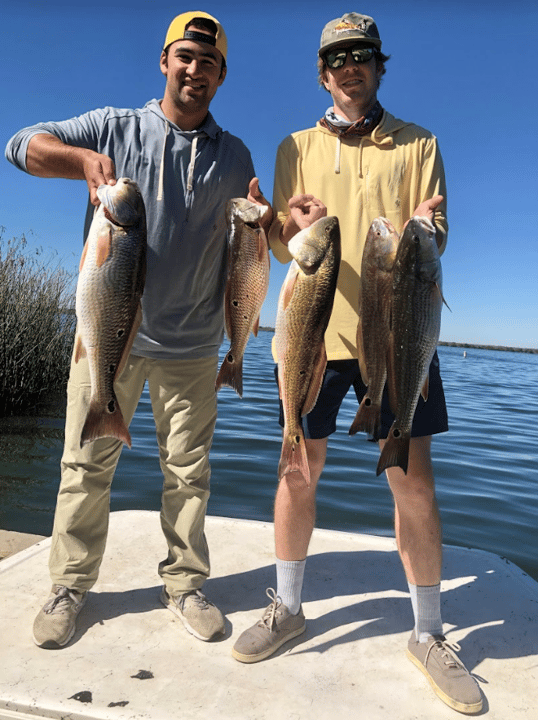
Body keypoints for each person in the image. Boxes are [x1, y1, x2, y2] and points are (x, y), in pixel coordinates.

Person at [232, 12, 482, 715]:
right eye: (337, 58)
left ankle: (429, 633)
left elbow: (436, 229)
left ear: (379, 64)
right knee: (296, 468)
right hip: (314, 332)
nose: (350, 66)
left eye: (362, 55)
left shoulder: (419, 141)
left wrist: (428, 228)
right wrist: (283, 226)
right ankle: (288, 605)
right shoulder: (295, 146)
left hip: (400, 332)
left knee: (412, 481)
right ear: (322, 73)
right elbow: (284, 248)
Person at [6, 11, 270, 649]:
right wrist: (81, 163)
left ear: (221, 75)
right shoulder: (114, 127)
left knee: (189, 473)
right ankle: (70, 586)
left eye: (208, 64)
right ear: (164, 62)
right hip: (107, 340)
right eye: (184, 57)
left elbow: (250, 236)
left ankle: (183, 583)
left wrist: (262, 223)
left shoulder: (236, 155)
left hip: (195, 344)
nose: (194, 71)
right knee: (85, 465)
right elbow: (19, 145)